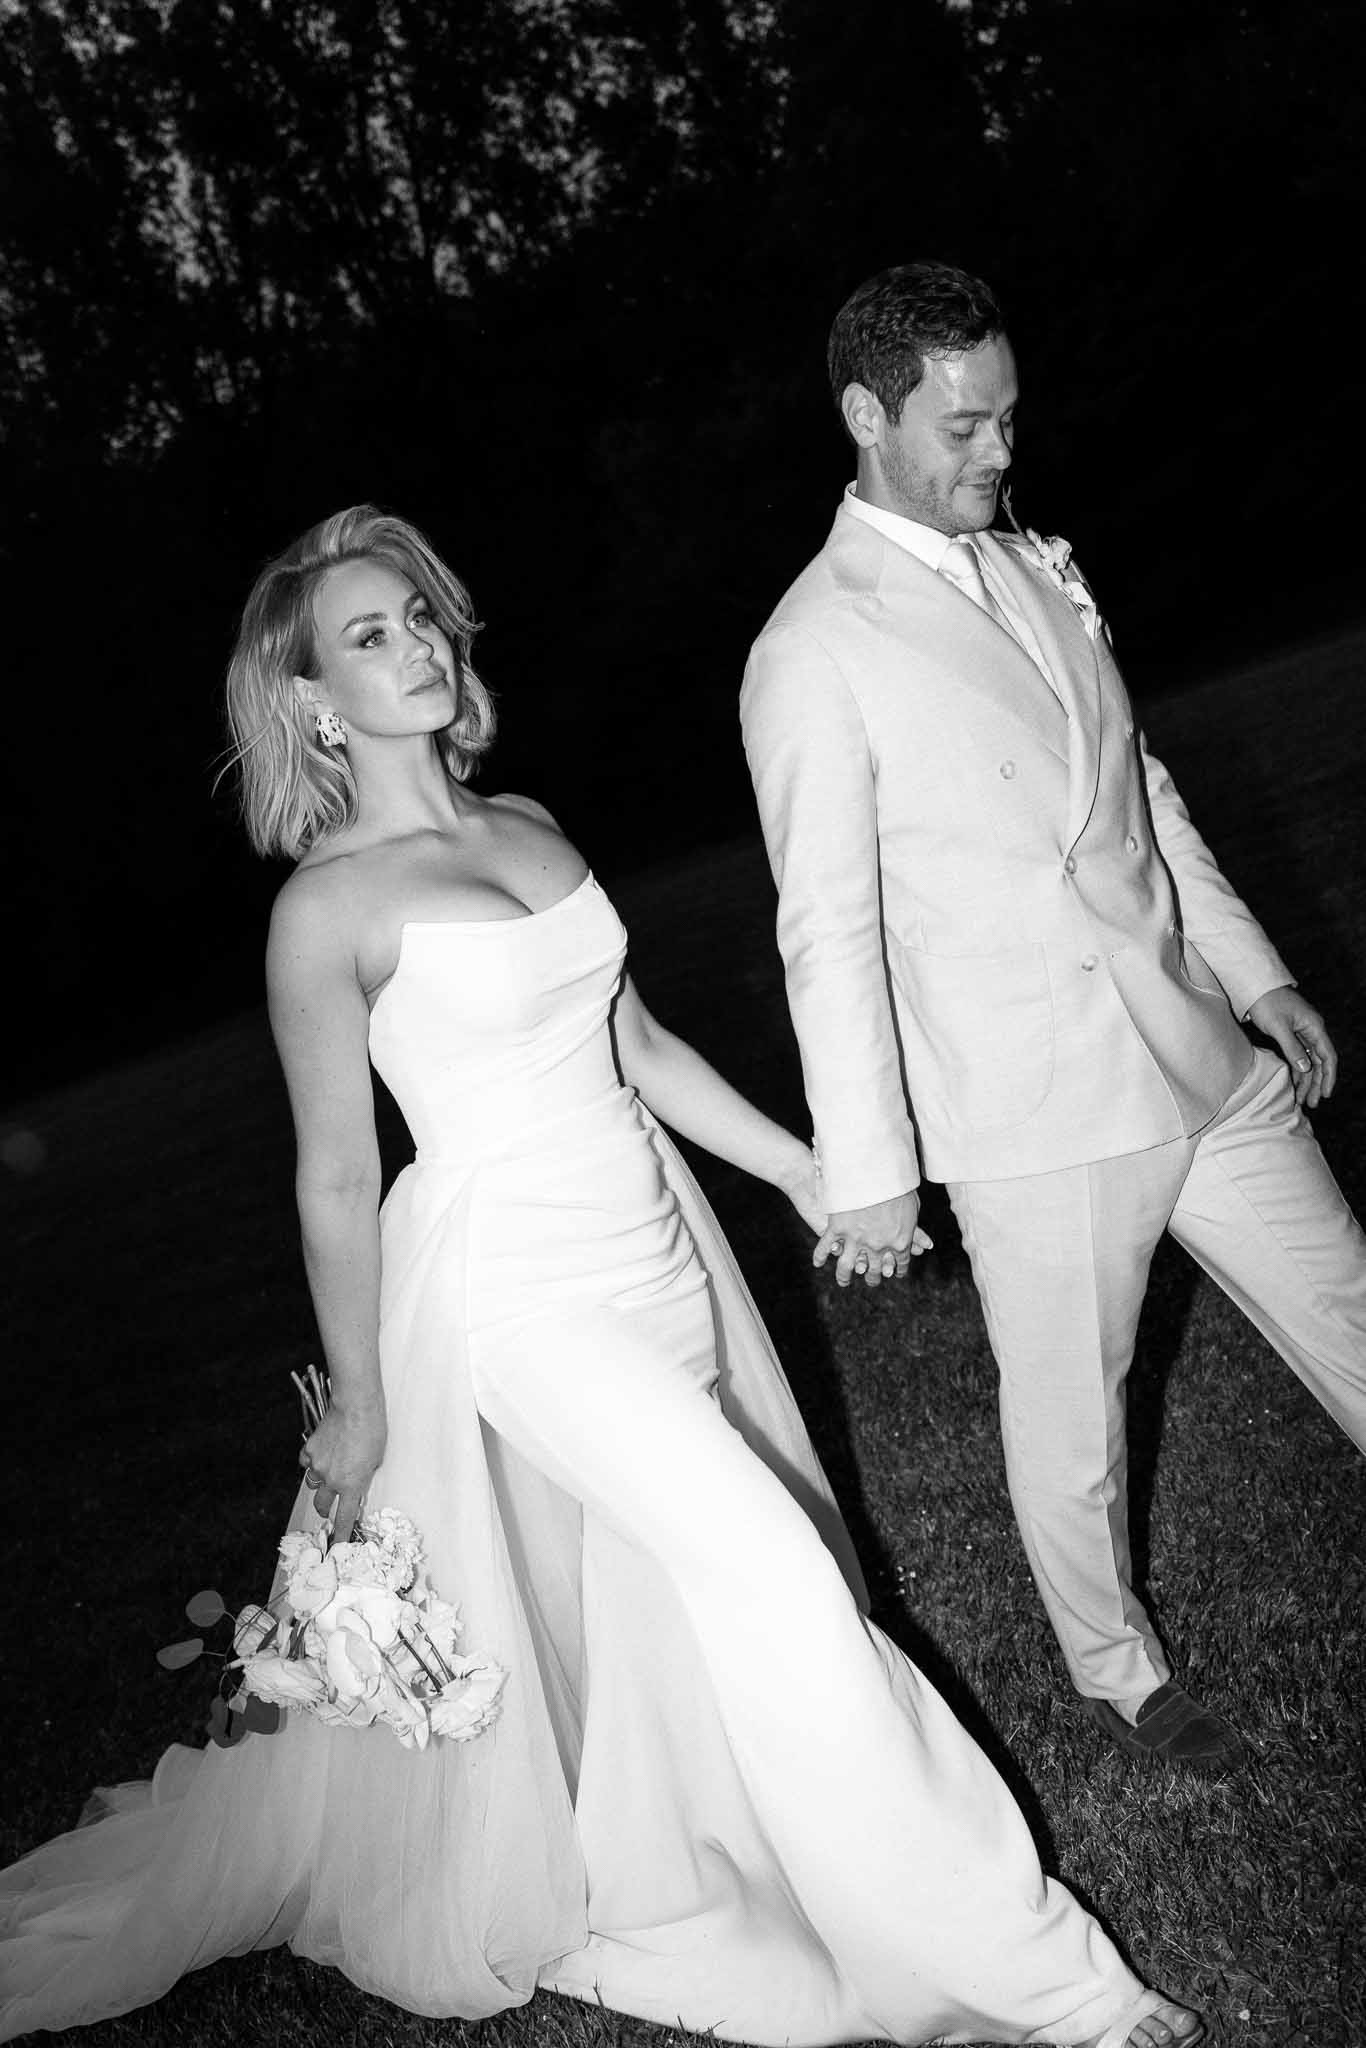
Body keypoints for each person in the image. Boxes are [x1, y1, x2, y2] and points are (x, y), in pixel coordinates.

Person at [0, 504, 1199, 2048]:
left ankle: (659, 1867)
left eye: (422, 617)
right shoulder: (326, 912)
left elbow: (630, 1044)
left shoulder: (532, 825)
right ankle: (1052, 1986)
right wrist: (356, 1405)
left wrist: (800, 1168)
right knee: (773, 1571)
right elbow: (335, 1174)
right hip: (515, 1297)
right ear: (309, 700)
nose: (417, 647)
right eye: (370, 636)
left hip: (652, 1250)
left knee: (670, 1609)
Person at [740, 260, 1366, 1777]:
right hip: (1033, 1107)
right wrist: (872, 1166)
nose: (997, 454)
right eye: (961, 428)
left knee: (1349, 1304)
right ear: (864, 417)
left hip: (1197, 1054)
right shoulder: (810, 648)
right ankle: (1120, 1670)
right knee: (1070, 1427)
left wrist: (1258, 974)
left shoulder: (1032, 566)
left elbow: (1140, 799)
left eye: (1007, 418)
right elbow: (824, 926)